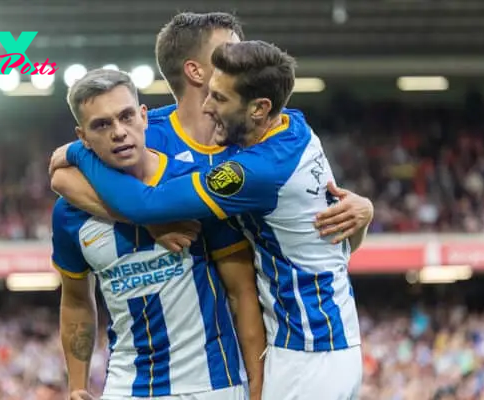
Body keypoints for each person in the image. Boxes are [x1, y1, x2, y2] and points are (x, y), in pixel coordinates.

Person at [54, 41, 367, 400]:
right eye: (102, 125)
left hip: (310, 349)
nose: (206, 107)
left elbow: (145, 206)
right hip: (312, 340)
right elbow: (334, 243)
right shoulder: (292, 125)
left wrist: (77, 154)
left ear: (259, 109)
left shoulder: (252, 171)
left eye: (219, 99)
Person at [50, 12, 373, 248]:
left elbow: (328, 236)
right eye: (229, 52)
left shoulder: (263, 134)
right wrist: (146, 221)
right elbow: (61, 178)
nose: (243, 57)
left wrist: (363, 214)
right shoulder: (143, 132)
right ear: (195, 71)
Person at [52, 68, 265, 400]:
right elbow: (77, 300)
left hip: (212, 385)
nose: (119, 132)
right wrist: (77, 385)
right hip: (126, 388)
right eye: (102, 124)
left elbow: (242, 292)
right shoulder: (69, 213)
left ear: (144, 117)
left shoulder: (192, 185)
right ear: (82, 138)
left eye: (125, 117)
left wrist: (257, 387)